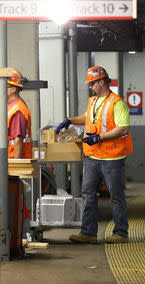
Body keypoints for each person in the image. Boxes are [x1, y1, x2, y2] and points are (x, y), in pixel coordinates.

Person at [56, 66, 133, 244]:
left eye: (92, 83)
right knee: (88, 194)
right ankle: (88, 233)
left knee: (116, 196)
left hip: (112, 158)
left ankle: (121, 233)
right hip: (92, 157)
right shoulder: (94, 101)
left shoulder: (117, 103)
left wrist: (99, 137)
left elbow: (123, 128)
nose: (90, 87)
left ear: (101, 81)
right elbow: (88, 118)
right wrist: (70, 120)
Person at [7, 69, 32, 159]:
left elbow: (18, 140)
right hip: (6, 161)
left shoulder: (18, 110)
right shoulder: (9, 107)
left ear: (13, 89)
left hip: (11, 162)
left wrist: (16, 167)